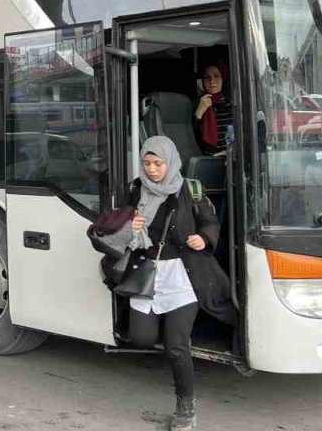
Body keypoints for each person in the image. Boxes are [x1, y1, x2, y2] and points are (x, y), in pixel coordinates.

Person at [126, 136, 236, 431]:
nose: (151, 170)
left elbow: (210, 221)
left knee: (177, 346)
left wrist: (204, 238)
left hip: (183, 274)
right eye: (147, 163)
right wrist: (129, 227)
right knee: (141, 338)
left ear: (170, 162)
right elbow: (117, 227)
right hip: (147, 272)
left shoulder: (189, 188)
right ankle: (165, 327)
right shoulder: (135, 190)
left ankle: (185, 406)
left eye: (158, 164)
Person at [194, 62, 233, 156]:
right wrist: (198, 113)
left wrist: (230, 151)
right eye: (207, 77)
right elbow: (191, 139)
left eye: (216, 76)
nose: (212, 81)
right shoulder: (196, 104)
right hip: (205, 160)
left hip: (231, 158)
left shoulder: (232, 105)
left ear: (223, 79)